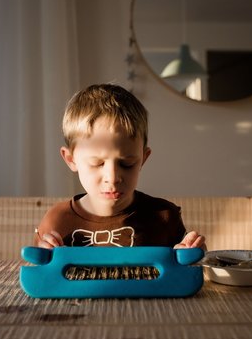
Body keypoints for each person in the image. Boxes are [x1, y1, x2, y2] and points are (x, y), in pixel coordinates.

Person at [34, 83, 206, 251]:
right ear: (71, 160)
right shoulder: (57, 221)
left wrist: (190, 254)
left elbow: (184, 270)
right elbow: (36, 272)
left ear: (143, 159)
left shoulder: (163, 217)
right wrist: (46, 257)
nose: (113, 177)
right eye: (97, 163)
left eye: (127, 164)